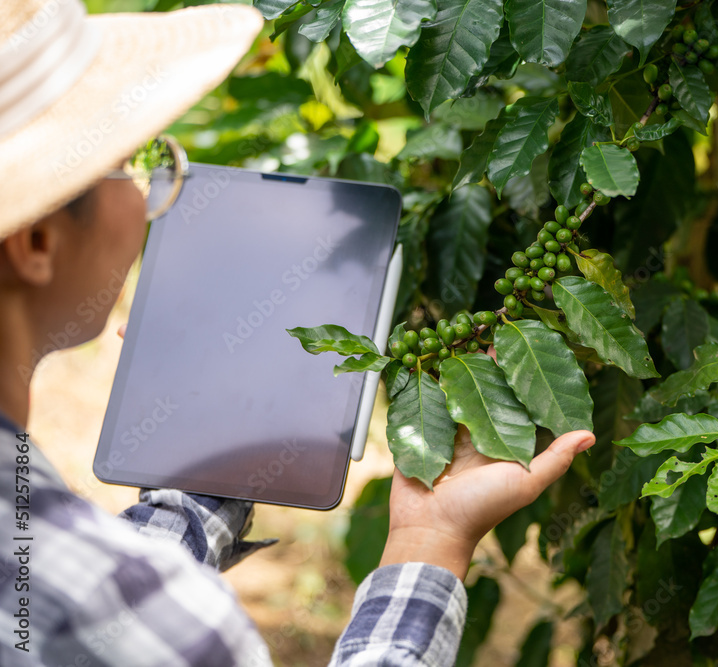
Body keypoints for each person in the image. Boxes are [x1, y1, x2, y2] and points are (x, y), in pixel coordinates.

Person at [0, 1, 596, 664]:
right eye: (128, 160)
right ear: (37, 241)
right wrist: (430, 541)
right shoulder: (157, 623)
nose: (151, 191)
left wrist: (209, 444)